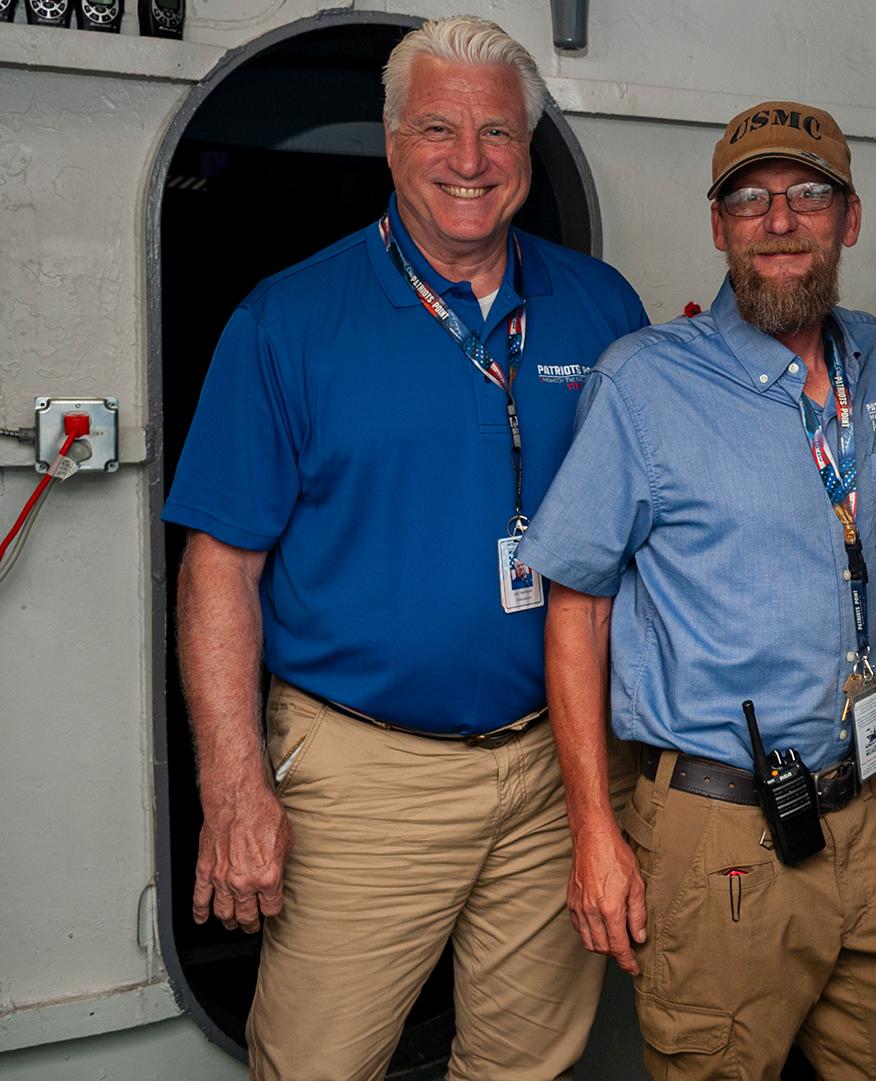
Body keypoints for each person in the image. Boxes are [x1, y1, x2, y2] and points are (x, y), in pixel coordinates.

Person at [161, 17, 649, 1079]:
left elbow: (648, 537)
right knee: (319, 1063)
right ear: (390, 142)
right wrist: (236, 788)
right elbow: (218, 569)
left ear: (528, 149)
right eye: (438, 127)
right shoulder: (286, 322)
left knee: (527, 1064)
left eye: (498, 134)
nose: (468, 161)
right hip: (363, 772)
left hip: (556, 761)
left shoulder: (602, 309)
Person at [516, 99, 876, 1081]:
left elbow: (837, 541)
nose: (778, 220)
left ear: (846, 215)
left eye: (806, 195)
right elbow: (576, 607)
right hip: (724, 826)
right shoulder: (644, 382)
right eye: (749, 201)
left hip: (869, 805)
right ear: (719, 228)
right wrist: (594, 835)